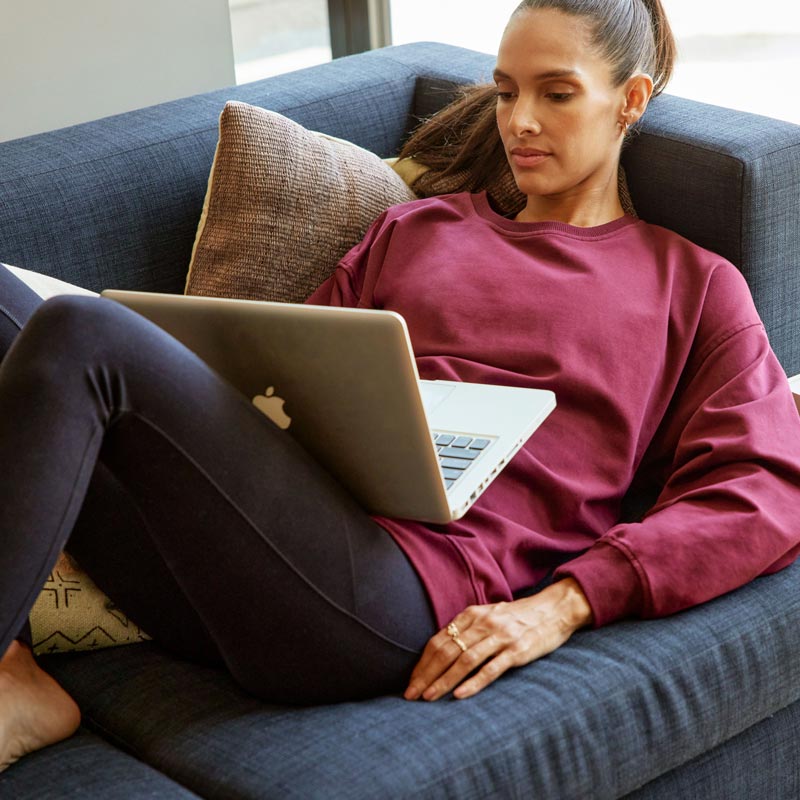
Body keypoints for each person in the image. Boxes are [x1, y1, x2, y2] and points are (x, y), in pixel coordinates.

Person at [2, 0, 800, 772]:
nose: (519, 121)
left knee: (83, 333)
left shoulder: (690, 286)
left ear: (629, 101)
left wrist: (561, 605)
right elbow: (284, 379)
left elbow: (764, 490)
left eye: (555, 93)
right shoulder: (417, 228)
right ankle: (17, 671)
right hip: (244, 567)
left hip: (390, 600)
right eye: (505, 91)